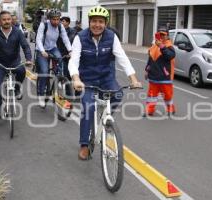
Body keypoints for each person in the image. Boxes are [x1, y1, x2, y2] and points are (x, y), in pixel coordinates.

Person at [68, 6, 142, 160]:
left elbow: (122, 58)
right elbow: (73, 61)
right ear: (89, 22)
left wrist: (133, 79)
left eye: (101, 21)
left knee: (118, 94)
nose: (97, 25)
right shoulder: (80, 37)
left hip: (106, 77)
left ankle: (105, 118)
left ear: (106, 23)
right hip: (86, 80)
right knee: (88, 109)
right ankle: (84, 144)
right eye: (94, 21)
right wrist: (76, 78)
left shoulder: (111, 37)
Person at [0, 11, 32, 119]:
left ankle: (16, 88)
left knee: (22, 71)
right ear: (0, 21)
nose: (7, 21)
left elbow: (25, 46)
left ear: (11, 20)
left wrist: (28, 59)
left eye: (8, 19)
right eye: (4, 19)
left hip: (14, 61)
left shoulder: (17, 32)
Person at [35, 8, 72, 108]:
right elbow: (38, 39)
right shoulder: (44, 25)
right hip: (42, 49)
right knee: (44, 71)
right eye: (54, 19)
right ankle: (41, 95)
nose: (56, 21)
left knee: (60, 59)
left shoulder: (60, 26)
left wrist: (70, 50)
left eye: (57, 19)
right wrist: (42, 51)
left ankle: (60, 78)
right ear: (49, 19)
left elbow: (65, 39)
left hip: (52, 48)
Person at [144, 26, 176, 116]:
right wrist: (147, 70)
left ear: (167, 36)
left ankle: (170, 110)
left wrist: (161, 46)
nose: (161, 36)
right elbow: (150, 60)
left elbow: (170, 56)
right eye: (159, 34)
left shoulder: (169, 46)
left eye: (163, 35)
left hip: (165, 77)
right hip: (153, 77)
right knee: (151, 96)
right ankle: (149, 111)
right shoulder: (154, 47)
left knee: (167, 96)